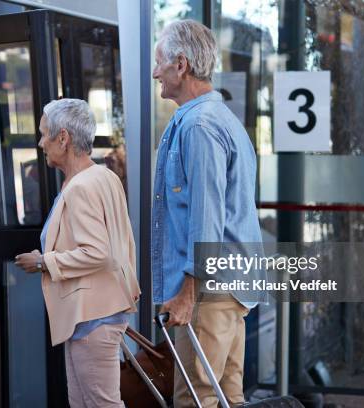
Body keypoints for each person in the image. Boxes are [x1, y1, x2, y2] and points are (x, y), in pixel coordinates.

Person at [151, 20, 265, 407]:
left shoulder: (199, 126)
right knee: (226, 396)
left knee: (195, 399)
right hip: (231, 289)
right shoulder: (223, 120)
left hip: (209, 292)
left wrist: (187, 293)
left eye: (159, 63)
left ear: (180, 65)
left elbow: (207, 220)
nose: (155, 73)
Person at [15, 98, 140, 408]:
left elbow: (100, 252)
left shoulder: (81, 186)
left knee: (99, 404)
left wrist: (45, 262)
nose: (41, 143)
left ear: (63, 138)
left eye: (44, 134)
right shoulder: (105, 177)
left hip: (92, 318)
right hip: (97, 314)